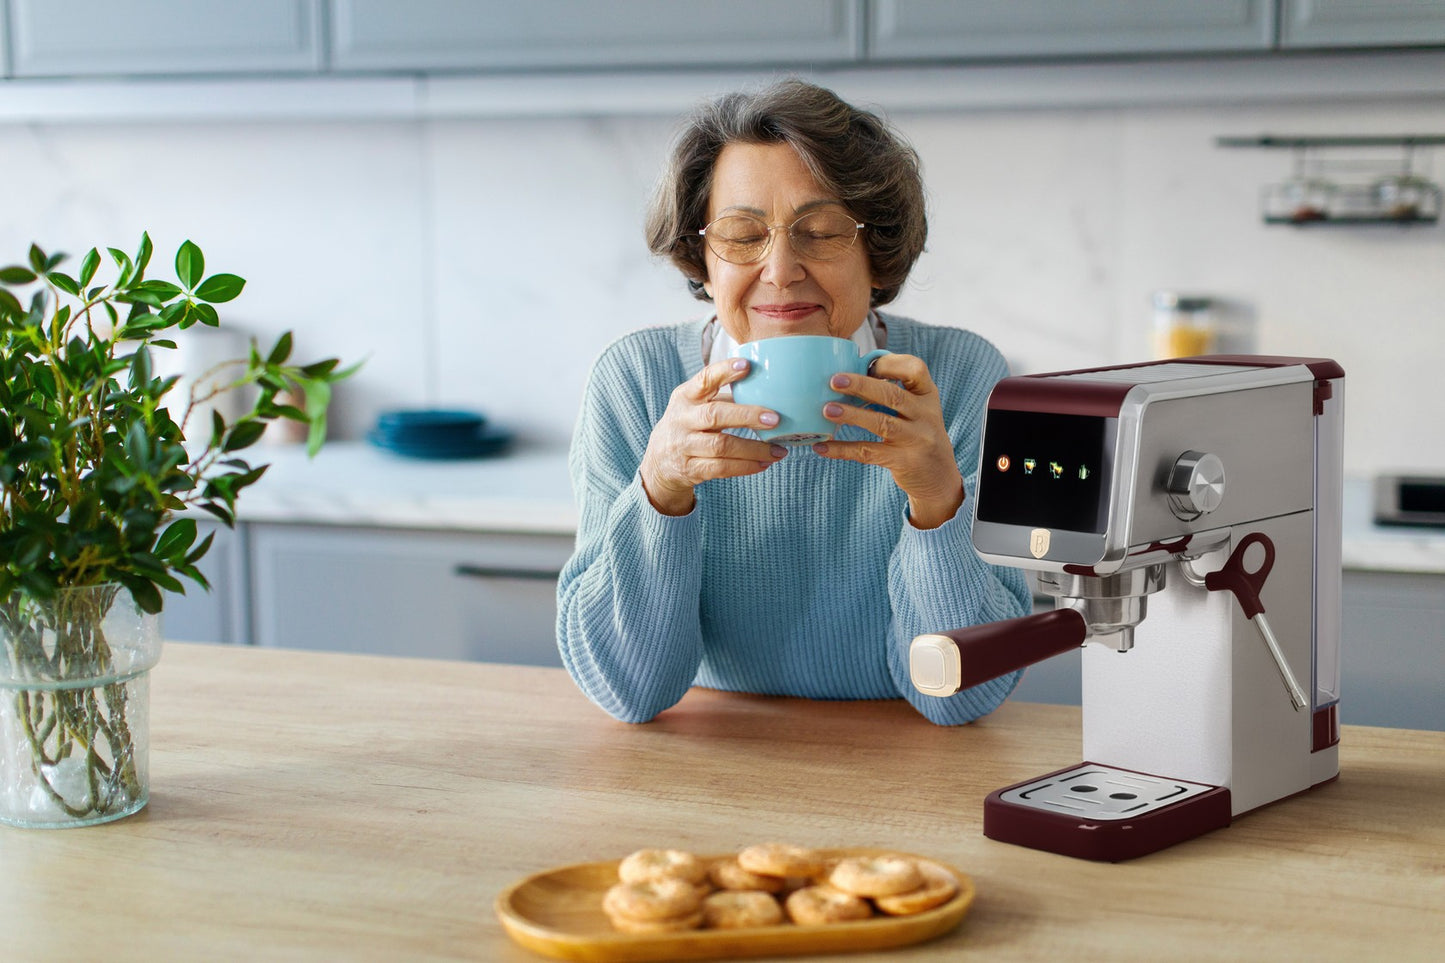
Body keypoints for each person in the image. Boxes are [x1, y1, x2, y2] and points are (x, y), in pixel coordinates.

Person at [556, 79, 1030, 725]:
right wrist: (661, 489)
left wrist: (934, 497)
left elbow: (963, 695)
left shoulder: (958, 375)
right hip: (714, 751)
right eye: (741, 234)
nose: (780, 269)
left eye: (822, 231)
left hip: (907, 758)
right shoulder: (638, 378)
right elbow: (628, 692)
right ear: (701, 256)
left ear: (876, 251)